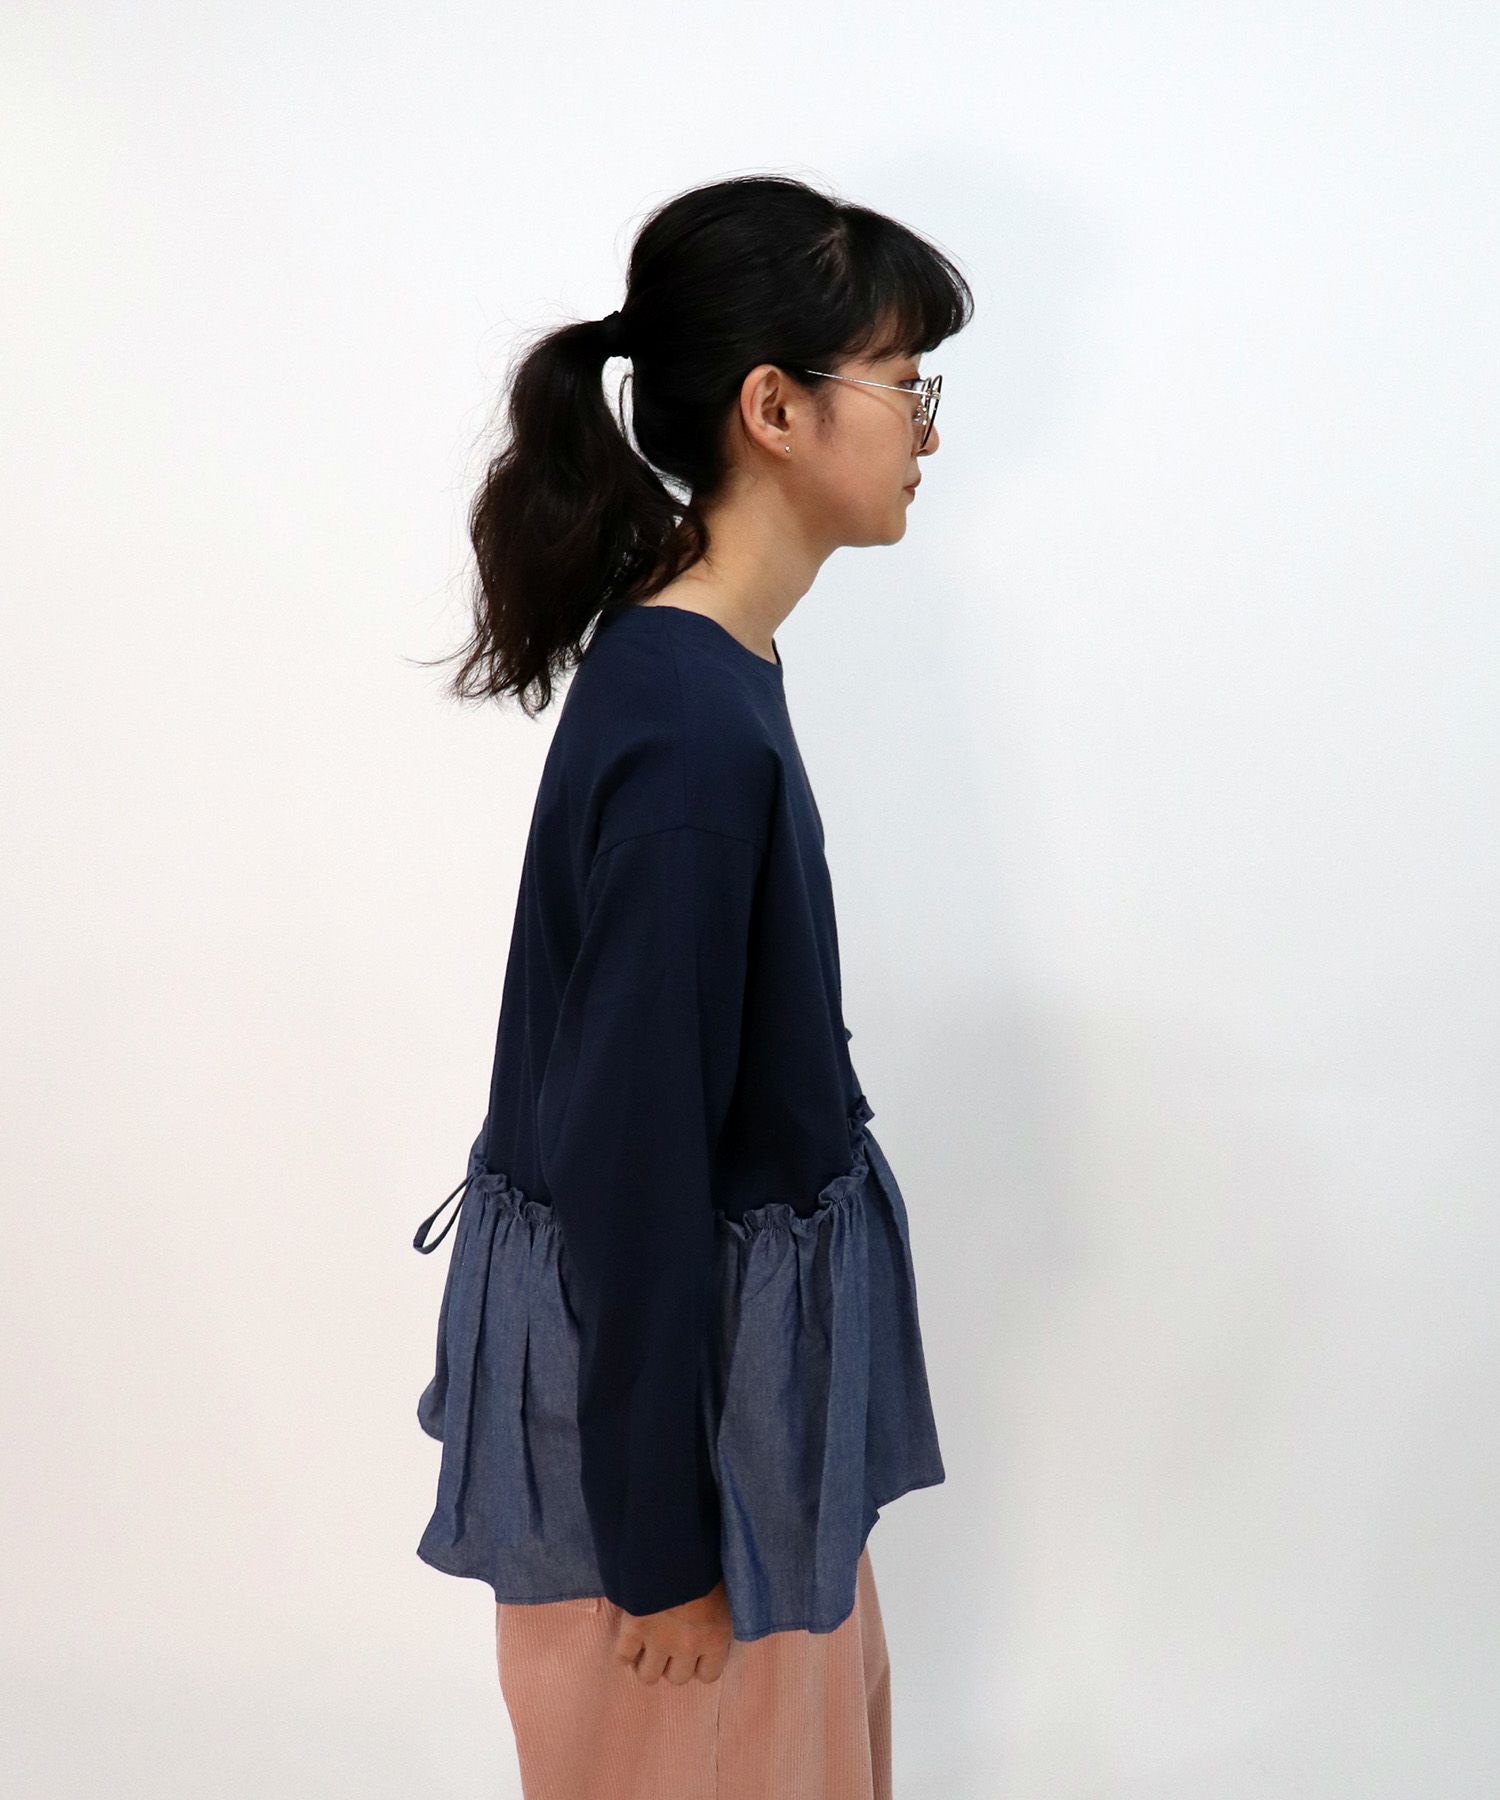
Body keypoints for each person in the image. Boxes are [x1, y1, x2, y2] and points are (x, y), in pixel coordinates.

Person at [410, 171, 973, 1800]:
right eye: (906, 383)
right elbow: (630, 1157)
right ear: (775, 409)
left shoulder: (708, 671)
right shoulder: (686, 737)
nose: (927, 431)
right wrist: (660, 1548)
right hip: (690, 1488)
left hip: (749, 1445)